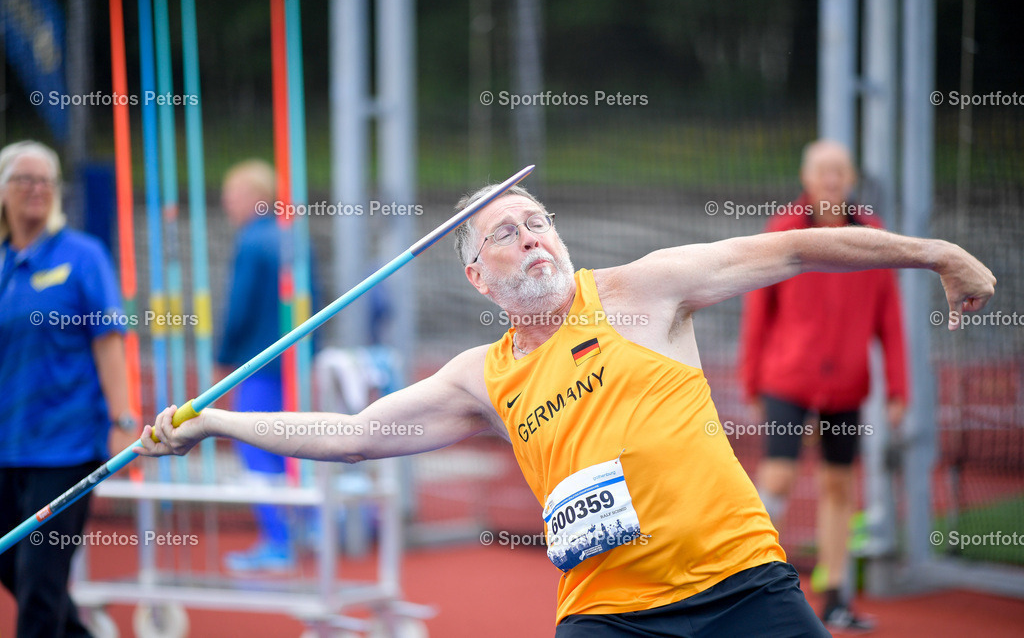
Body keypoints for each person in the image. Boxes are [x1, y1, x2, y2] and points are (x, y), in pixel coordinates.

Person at [137, 181, 995, 636]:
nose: (531, 236)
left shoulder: (641, 289)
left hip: (742, 589)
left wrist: (936, 252)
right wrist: (213, 422)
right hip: (608, 617)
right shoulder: (483, 376)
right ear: (477, 276)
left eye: (536, 220)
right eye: (503, 233)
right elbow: (355, 435)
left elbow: (801, 247)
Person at [739, 139, 908, 631]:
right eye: (822, 172)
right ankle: (750, 582)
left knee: (840, 485)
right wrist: (751, 382)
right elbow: (758, 315)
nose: (831, 180)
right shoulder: (782, 233)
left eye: (840, 171)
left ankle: (834, 594)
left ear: (850, 177)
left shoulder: (872, 237)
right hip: (787, 380)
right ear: (807, 178)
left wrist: (899, 386)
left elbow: (889, 318)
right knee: (779, 479)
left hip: (848, 385)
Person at [0, 140, 136, 638]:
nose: (36, 189)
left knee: (40, 583)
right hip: (6, 447)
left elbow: (108, 342)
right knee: (18, 573)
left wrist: (124, 420)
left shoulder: (83, 256)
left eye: (45, 181)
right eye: (24, 179)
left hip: (64, 449)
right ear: (3, 191)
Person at [217, 159, 296, 572]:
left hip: (259, 364)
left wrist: (223, 356)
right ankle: (308, 529)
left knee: (256, 447)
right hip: (293, 364)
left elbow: (239, 307)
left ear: (254, 196)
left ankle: (279, 542)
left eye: (232, 194)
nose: (226, 203)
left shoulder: (251, 242)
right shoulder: (292, 237)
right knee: (294, 444)